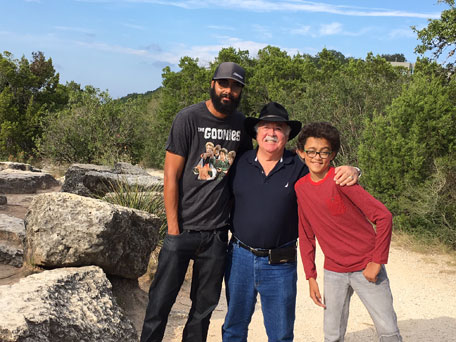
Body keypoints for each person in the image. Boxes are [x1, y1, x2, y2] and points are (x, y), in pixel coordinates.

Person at [222, 102, 360, 342]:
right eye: (266, 126)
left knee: (281, 334)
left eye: (279, 128)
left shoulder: (299, 166)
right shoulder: (239, 162)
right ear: (256, 132)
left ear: (287, 136)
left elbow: (328, 173)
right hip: (239, 257)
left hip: (280, 262)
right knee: (234, 327)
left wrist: (354, 169)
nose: (272, 132)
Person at [140, 62, 253, 342]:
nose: (229, 91)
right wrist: (174, 229)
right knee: (159, 305)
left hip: (216, 235)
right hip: (183, 230)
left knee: (203, 310)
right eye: (224, 84)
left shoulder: (242, 125)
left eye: (235, 86)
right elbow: (171, 176)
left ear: (240, 91)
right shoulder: (188, 118)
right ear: (213, 84)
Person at [294, 122, 402, 342]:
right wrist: (311, 276)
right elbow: (306, 234)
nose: (317, 157)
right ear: (301, 153)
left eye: (324, 152)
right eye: (311, 151)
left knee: (388, 330)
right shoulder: (301, 187)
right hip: (334, 272)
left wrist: (377, 261)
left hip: (366, 267)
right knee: (332, 334)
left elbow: (384, 217)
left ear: (332, 154)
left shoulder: (342, 181)